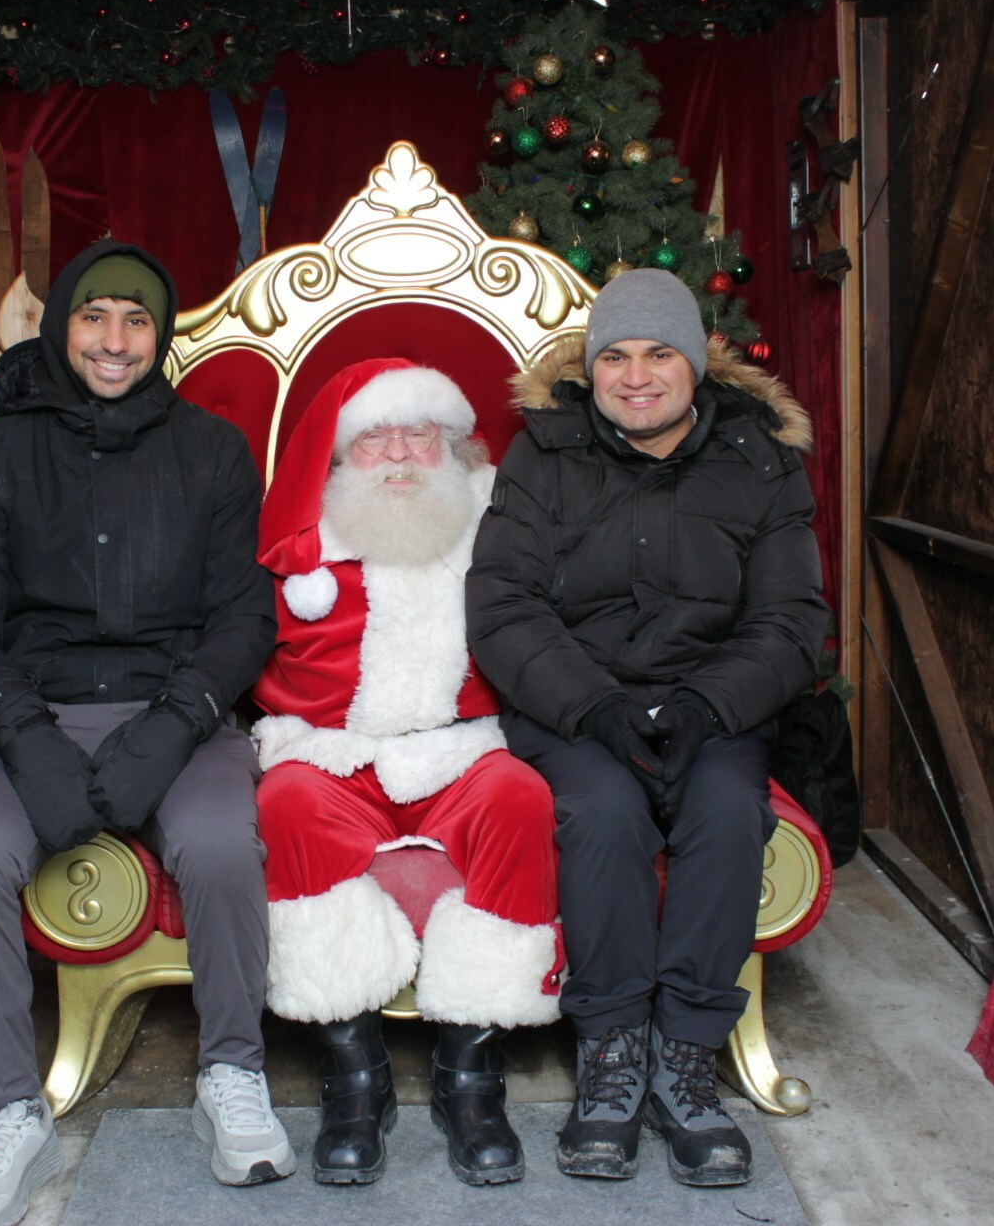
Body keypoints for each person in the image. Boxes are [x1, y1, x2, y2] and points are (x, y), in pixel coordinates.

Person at [0, 240, 294, 1223]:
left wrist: (174, 726)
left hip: (176, 712)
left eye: (137, 320)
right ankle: (10, 1112)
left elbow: (243, 619)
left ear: (160, 334)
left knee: (220, 842)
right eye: (95, 317)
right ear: (63, 327)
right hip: (31, 712)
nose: (115, 341)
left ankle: (232, 1073)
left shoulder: (212, 451)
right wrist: (23, 735)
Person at [467, 269, 828, 1189]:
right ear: (590, 368)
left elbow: (791, 621)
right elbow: (503, 607)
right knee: (604, 814)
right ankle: (614, 1049)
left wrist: (708, 706)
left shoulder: (760, 463)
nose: (636, 377)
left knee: (726, 812)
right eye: (615, 357)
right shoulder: (542, 455)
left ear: (696, 363)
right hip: (578, 708)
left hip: (716, 706)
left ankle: (687, 1057)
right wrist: (595, 706)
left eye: (660, 354)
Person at [249, 359, 561, 1187]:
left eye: (418, 434)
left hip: (466, 751)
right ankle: (357, 1075)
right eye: (374, 437)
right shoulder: (301, 538)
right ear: (340, 454)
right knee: (285, 804)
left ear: (451, 444)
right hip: (333, 755)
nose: (396, 454)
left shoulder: (499, 520)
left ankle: (471, 1073)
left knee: (522, 799)